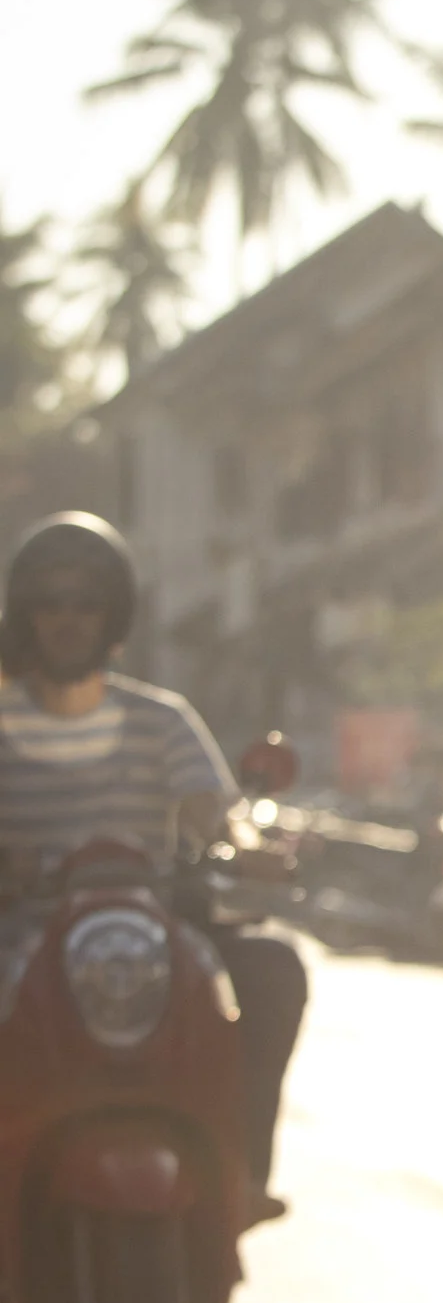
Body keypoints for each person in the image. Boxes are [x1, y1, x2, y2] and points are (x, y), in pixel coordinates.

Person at [0, 512, 305, 1205]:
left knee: (274, 967)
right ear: (26, 615)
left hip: (153, 930)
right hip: (18, 932)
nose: (68, 619)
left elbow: (217, 812)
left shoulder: (162, 718)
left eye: (86, 602)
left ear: (114, 614)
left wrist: (251, 850)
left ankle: (242, 1172)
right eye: (51, 603)